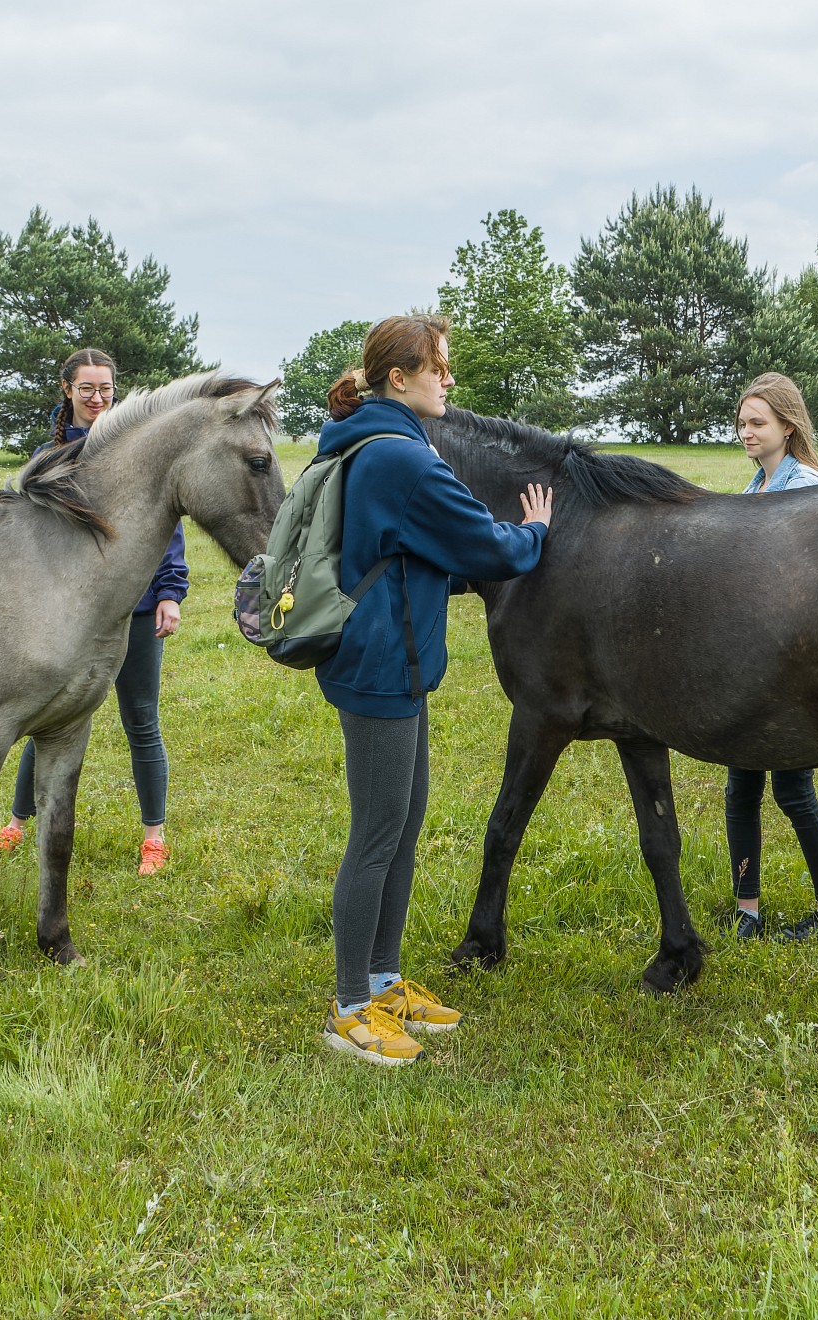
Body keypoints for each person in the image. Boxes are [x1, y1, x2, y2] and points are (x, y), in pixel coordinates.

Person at [315, 314, 553, 1066]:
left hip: (397, 659)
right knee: (377, 834)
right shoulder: (402, 456)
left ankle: (383, 980)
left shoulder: (376, 440)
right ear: (399, 377)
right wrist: (536, 531)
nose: (448, 380)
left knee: (404, 823)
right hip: (382, 665)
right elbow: (484, 542)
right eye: (438, 367)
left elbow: (402, 550)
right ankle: (349, 1008)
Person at [0, 347, 188, 877]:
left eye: (106, 389)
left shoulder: (138, 448)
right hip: (63, 613)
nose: (97, 398)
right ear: (68, 390)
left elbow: (166, 526)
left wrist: (169, 592)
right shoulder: (48, 456)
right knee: (50, 718)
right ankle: (16, 824)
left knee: (141, 720)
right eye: (87, 388)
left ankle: (154, 837)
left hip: (135, 608)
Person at [720, 373, 818, 942]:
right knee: (740, 791)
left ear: (788, 427)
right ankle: (746, 910)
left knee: (794, 791)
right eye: (742, 423)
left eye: (758, 423)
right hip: (750, 663)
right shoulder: (758, 484)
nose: (746, 432)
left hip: (791, 668)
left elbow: (816, 585)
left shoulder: (807, 488)